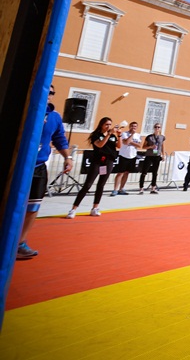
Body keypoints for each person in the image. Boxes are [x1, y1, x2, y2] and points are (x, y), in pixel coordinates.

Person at [18, 84, 70, 259]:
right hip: (18, 165)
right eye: (45, 91)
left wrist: (67, 158)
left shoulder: (54, 117)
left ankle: (20, 242)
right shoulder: (26, 109)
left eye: (52, 93)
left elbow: (60, 139)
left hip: (39, 167)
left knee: (33, 207)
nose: (48, 95)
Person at [67, 117, 120, 219]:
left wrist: (119, 135)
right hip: (97, 161)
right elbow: (100, 145)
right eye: (106, 124)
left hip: (108, 161)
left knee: (101, 185)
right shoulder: (96, 135)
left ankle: (95, 208)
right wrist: (108, 134)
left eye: (110, 124)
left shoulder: (113, 136)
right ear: (101, 125)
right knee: (88, 185)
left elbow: (119, 146)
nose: (108, 127)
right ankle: (73, 209)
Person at [112, 121, 140, 196]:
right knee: (120, 173)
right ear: (129, 126)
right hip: (124, 155)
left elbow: (139, 145)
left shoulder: (138, 135)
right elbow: (126, 142)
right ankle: (115, 189)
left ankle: (122, 188)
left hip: (133, 156)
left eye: (135, 126)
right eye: (132, 126)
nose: (133, 127)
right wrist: (131, 136)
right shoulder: (124, 134)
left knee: (127, 173)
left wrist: (130, 142)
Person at [139, 123, 165, 194]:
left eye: (158, 127)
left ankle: (153, 188)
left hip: (157, 156)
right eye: (156, 127)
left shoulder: (162, 137)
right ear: (154, 128)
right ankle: (141, 188)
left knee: (155, 172)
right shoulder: (149, 137)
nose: (157, 128)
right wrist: (150, 147)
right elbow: (143, 146)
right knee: (144, 172)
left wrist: (163, 155)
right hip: (149, 155)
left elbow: (162, 146)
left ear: (160, 128)